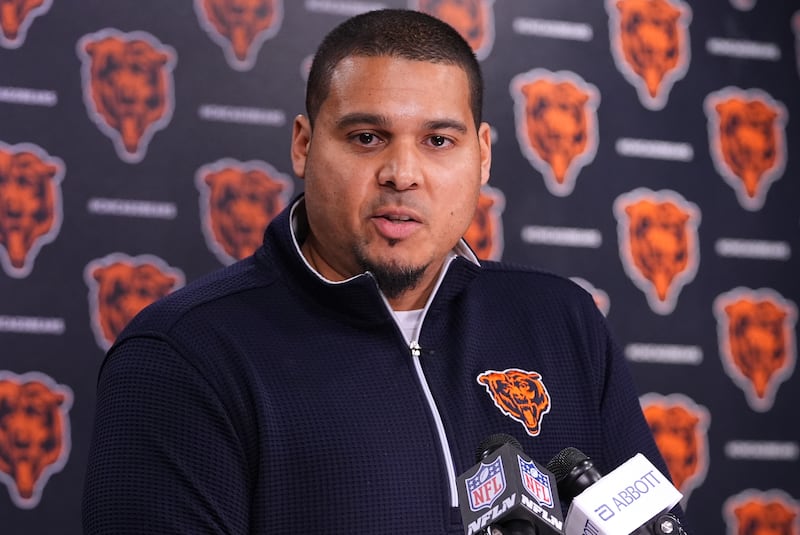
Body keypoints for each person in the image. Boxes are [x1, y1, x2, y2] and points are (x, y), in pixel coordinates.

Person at [82, 8, 683, 534]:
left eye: (438, 141)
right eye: (367, 137)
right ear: (304, 144)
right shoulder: (181, 356)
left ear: (483, 155)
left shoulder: (561, 320)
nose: (402, 173)